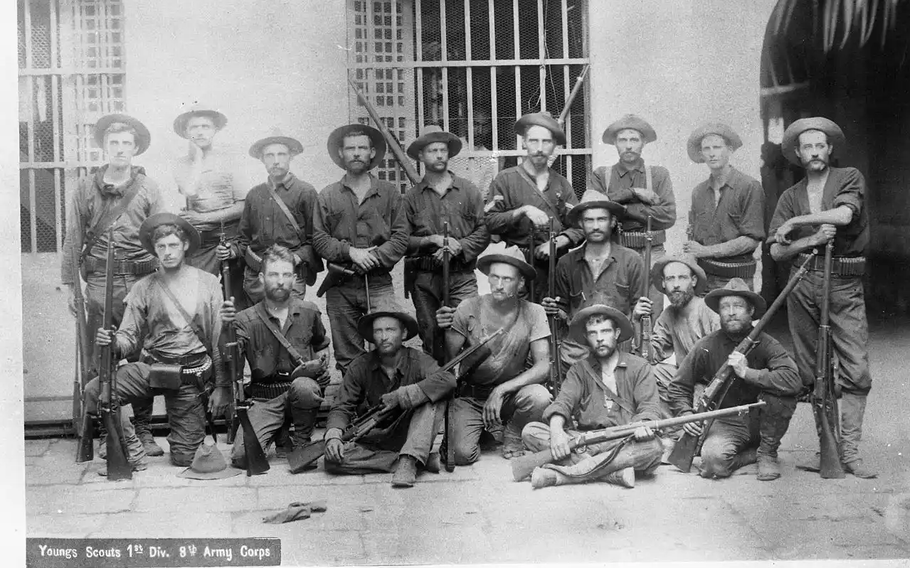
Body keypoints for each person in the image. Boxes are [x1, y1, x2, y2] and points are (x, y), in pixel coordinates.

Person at [768, 117, 875, 479]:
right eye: (807, 147)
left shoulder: (849, 177)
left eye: (820, 145)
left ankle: (849, 451)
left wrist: (797, 224)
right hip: (803, 283)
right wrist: (809, 239)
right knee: (813, 370)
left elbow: (845, 215)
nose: (814, 152)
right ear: (797, 155)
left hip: (843, 283)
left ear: (830, 149)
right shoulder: (789, 196)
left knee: (856, 369)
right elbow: (777, 252)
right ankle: (825, 446)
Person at [86, 213, 229, 468]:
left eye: (173, 245)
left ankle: (183, 430)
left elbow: (219, 339)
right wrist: (112, 342)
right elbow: (128, 337)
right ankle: (130, 445)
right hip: (153, 368)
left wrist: (221, 386)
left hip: (189, 373)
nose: (168, 252)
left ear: (185, 245)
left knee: (186, 459)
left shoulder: (207, 283)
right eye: (161, 247)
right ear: (154, 250)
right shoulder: (143, 287)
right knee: (96, 390)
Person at [61, 113, 165, 458]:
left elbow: (163, 235)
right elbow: (74, 238)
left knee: (141, 357)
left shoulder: (148, 188)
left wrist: (165, 283)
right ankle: (109, 429)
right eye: (114, 143)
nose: (120, 150)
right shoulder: (85, 187)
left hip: (141, 280)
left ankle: (144, 430)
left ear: (135, 148)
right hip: (99, 283)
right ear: (105, 147)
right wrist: (68, 284)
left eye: (126, 144)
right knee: (102, 357)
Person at [668, 279, 801, 481]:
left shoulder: (766, 343)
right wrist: (687, 416)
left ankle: (766, 453)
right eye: (725, 307)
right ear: (719, 313)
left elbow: (792, 380)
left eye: (738, 306)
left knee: (783, 393)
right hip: (726, 422)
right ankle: (751, 456)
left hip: (762, 420)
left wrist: (747, 373)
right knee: (713, 463)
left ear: (750, 312)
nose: (731, 312)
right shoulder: (707, 345)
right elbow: (678, 386)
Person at [522, 305, 664, 489]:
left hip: (625, 442)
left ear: (617, 333)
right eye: (593, 333)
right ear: (587, 337)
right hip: (586, 442)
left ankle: (567, 475)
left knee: (653, 447)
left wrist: (643, 424)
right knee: (531, 431)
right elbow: (563, 402)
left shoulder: (639, 367)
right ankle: (613, 473)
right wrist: (557, 432)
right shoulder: (579, 369)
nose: (599, 338)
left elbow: (649, 407)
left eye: (605, 331)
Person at [436, 246, 552, 463]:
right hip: (471, 396)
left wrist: (501, 390)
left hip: (510, 396)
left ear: (520, 283)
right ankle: (483, 433)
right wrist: (442, 331)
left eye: (507, 279)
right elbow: (450, 363)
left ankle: (513, 432)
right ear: (488, 279)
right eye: (494, 277)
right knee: (460, 455)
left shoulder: (534, 312)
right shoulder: (468, 307)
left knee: (540, 397)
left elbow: (543, 366)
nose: (499, 285)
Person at [219, 245, 331, 468]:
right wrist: (225, 327)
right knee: (243, 457)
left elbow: (321, 344)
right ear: (261, 278)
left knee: (305, 388)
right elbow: (230, 358)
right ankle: (278, 436)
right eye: (273, 274)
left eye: (286, 275)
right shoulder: (244, 319)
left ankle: (300, 443)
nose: (280, 281)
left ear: (294, 278)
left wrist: (322, 366)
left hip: (299, 392)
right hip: (264, 398)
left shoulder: (309, 311)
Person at [313, 124, 409, 373]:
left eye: (362, 148)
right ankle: (355, 408)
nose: (356, 153)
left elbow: (401, 237)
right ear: (341, 153)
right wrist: (350, 252)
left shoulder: (389, 193)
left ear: (372, 153)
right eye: (350, 148)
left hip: (378, 283)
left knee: (388, 344)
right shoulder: (328, 195)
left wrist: (374, 256)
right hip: (341, 285)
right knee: (348, 356)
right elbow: (319, 238)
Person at [324, 311, 455, 488]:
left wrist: (401, 396)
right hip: (375, 438)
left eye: (390, 330)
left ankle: (409, 461)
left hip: (411, 434)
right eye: (378, 331)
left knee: (434, 396)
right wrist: (333, 435)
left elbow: (448, 380)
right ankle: (417, 460)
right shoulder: (359, 365)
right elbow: (341, 405)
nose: (384, 337)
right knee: (332, 461)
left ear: (404, 334)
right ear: (372, 336)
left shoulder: (418, 360)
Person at [403, 125, 490, 363]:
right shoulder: (410, 198)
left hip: (461, 276)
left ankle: (467, 391)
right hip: (425, 279)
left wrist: (460, 246)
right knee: (432, 337)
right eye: (432, 150)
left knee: (470, 331)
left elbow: (483, 231)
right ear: (421, 156)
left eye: (443, 149)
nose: (439, 155)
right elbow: (401, 240)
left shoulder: (468, 191)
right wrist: (429, 240)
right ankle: (439, 391)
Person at [541, 190, 645, 374]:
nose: (596, 226)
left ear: (612, 222)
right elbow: (563, 310)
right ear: (581, 223)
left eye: (601, 219)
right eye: (589, 220)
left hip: (618, 346)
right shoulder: (566, 263)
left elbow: (640, 310)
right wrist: (554, 310)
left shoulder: (631, 260)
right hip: (577, 353)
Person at [484, 112, 584, 302]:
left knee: (552, 320)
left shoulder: (561, 184)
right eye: (534, 141)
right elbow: (489, 221)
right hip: (516, 263)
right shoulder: (505, 179)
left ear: (554, 145)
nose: (539, 148)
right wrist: (522, 211)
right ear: (523, 142)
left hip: (553, 266)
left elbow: (580, 225)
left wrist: (557, 243)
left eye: (546, 142)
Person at [589, 114, 675, 314]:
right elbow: (594, 206)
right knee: (616, 310)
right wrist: (633, 192)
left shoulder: (658, 175)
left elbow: (668, 215)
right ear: (615, 144)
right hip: (614, 251)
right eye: (623, 140)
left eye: (634, 140)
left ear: (643, 142)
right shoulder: (602, 175)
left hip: (651, 252)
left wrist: (624, 209)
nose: (628, 146)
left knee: (650, 312)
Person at [227, 130, 320, 306]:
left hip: (287, 276)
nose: (275, 160)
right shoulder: (254, 194)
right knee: (257, 328)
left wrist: (295, 258)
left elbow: (316, 239)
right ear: (262, 159)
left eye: (281, 154)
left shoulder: (305, 192)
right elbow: (243, 239)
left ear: (290, 157)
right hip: (256, 278)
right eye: (269, 155)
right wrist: (230, 251)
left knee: (286, 327)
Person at [171, 103, 247, 301]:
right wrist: (196, 159)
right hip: (201, 241)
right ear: (186, 132)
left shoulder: (230, 160)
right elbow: (190, 190)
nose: (200, 131)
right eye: (194, 127)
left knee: (235, 297)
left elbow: (242, 206)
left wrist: (203, 217)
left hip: (231, 237)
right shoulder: (180, 164)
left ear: (215, 130)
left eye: (205, 126)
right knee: (199, 296)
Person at [684, 123, 766, 291]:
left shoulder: (749, 186)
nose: (712, 153)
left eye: (717, 147)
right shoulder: (698, 192)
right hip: (703, 279)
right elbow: (693, 239)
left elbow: (751, 240)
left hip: (736, 281)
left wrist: (706, 251)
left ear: (729, 149)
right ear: (701, 154)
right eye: (706, 149)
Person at [449, 110, 498, 201]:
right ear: (466, 125)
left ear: (489, 128)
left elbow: (485, 192)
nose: (480, 131)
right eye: (476, 125)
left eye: (484, 126)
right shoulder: (453, 147)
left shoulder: (489, 157)